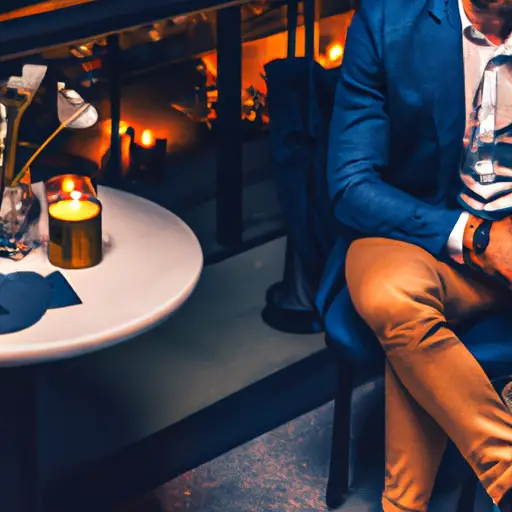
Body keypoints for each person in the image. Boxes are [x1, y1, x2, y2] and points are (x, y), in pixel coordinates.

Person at [323, 0, 512, 510]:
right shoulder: (388, 21)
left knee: (413, 339)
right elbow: (351, 184)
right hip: (417, 236)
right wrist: (475, 237)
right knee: (394, 297)